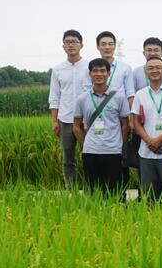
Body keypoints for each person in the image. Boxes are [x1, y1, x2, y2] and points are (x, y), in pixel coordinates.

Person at [72, 57, 130, 196]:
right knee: (93, 191)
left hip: (113, 151)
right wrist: (85, 144)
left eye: (103, 71)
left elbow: (125, 124)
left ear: (109, 74)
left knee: (115, 191)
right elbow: (76, 125)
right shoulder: (82, 99)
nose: (99, 74)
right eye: (95, 71)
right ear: (90, 74)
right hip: (90, 151)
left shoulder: (119, 97)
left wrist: (120, 144)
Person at [131, 55, 162, 204]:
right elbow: (136, 121)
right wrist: (149, 141)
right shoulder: (140, 94)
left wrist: (159, 140)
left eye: (158, 67)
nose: (154, 70)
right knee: (149, 195)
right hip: (146, 151)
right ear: (145, 72)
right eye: (150, 68)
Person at [49, 29, 91, 187]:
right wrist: (54, 121)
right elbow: (54, 97)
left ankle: (90, 187)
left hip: (86, 120)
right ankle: (71, 189)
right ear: (63, 46)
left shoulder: (89, 67)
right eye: (67, 42)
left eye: (74, 42)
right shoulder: (57, 70)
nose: (71, 45)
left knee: (89, 154)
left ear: (82, 45)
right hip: (65, 119)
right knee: (68, 157)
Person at [87, 31, 136, 101]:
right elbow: (88, 90)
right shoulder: (92, 68)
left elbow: (130, 94)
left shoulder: (125, 68)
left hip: (119, 107)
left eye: (110, 44)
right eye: (103, 44)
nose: (107, 47)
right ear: (98, 47)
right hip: (96, 106)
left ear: (115, 46)